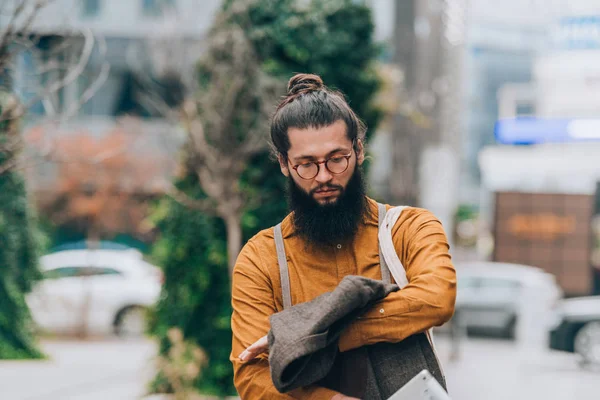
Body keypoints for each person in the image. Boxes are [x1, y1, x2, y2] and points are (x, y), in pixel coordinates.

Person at [230, 73, 457, 399]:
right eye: (306, 165)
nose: (324, 176)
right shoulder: (260, 258)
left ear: (359, 150)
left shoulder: (410, 228)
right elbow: (252, 377)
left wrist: (316, 335)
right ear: (284, 163)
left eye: (337, 159)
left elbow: (437, 298)